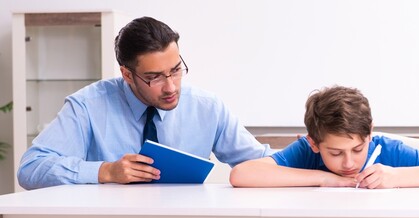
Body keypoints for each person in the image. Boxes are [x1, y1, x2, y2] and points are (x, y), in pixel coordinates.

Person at [18, 16, 271, 190]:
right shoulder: (87, 106)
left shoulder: (207, 108)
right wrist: (105, 172)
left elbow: (261, 160)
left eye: (175, 70)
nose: (171, 87)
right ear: (127, 74)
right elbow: (30, 168)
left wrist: (309, 153)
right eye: (154, 78)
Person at [230, 86, 419, 188]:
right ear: (314, 143)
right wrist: (323, 178)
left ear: (370, 133)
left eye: (358, 149)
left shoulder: (386, 150)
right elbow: (241, 175)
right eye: (336, 153)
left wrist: (396, 177)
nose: (349, 163)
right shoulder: (306, 152)